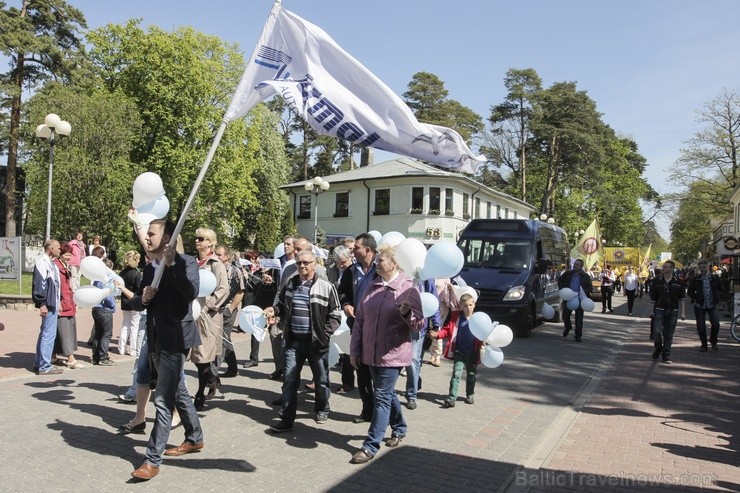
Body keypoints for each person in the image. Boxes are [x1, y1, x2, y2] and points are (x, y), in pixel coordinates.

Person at [128, 219, 203, 481]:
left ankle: (152, 460)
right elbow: (137, 303)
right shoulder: (149, 269)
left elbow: (190, 293)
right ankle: (195, 437)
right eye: (146, 233)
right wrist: (143, 298)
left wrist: (171, 265)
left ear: (167, 237)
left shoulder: (186, 262)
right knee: (177, 391)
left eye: (151, 233)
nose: (146, 237)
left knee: (162, 400)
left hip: (176, 339)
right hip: (156, 339)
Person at [349, 243, 423, 464]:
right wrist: (354, 349)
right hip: (370, 352)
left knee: (380, 396)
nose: (376, 263)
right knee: (387, 394)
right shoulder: (373, 286)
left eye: (381, 260)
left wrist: (407, 312)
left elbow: (419, 325)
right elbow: (360, 320)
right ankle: (399, 428)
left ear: (395, 263)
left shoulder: (409, 289)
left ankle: (371, 445)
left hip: (393, 354)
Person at [266, 249, 341, 432]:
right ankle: (286, 420)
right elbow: (282, 306)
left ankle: (322, 408)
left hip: (316, 343)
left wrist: (325, 334)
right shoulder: (291, 283)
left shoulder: (325, 286)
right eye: (299, 263)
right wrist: (274, 311)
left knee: (321, 380)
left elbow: (336, 314)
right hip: (294, 342)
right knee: (290, 380)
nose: (302, 266)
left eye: (306, 263)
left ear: (314, 263)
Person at [338, 233, 379, 423]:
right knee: (361, 371)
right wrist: (346, 304)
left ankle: (383, 412)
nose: (352, 251)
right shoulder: (351, 270)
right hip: (357, 326)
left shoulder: (382, 269)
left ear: (368, 250)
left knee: (379, 374)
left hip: (379, 329)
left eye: (356, 248)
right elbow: (342, 291)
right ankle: (367, 410)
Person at [191, 228, 230, 411]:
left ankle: (200, 393)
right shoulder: (192, 262)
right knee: (195, 355)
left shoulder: (216, 264)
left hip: (208, 316)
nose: (197, 241)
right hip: (191, 313)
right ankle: (213, 379)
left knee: (203, 357)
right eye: (196, 238)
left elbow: (223, 289)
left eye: (201, 239)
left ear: (210, 242)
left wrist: (207, 307)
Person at [430, 293, 482, 407]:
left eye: (470, 305)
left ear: (474, 305)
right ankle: (452, 397)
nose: (468, 308)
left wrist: (484, 343)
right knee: (456, 373)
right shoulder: (457, 318)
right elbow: (447, 330)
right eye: (465, 305)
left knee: (471, 374)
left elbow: (484, 334)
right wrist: (438, 334)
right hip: (459, 351)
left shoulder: (478, 319)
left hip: (472, 353)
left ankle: (470, 394)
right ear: (461, 306)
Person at [404, 278, 441, 410]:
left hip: (418, 325)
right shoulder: (400, 273)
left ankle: (411, 395)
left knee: (413, 360)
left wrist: (436, 324)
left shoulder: (427, 278)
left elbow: (433, 300)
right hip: (399, 323)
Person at [33, 239, 63, 375]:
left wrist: (59, 302)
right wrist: (42, 304)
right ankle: (44, 366)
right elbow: (39, 285)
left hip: (53, 303)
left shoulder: (52, 263)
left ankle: (39, 363)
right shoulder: (43, 263)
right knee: (48, 334)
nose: (60, 250)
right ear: (50, 249)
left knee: (46, 333)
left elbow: (55, 285)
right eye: (57, 248)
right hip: (48, 304)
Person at [52, 243, 83, 369]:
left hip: (68, 300)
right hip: (62, 302)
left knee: (62, 330)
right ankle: (70, 358)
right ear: (60, 254)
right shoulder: (55, 265)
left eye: (70, 255)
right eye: (66, 255)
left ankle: (53, 355)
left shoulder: (65, 265)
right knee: (65, 330)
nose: (68, 257)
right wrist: (58, 301)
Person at [216, 245, 244, 377]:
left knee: (223, 338)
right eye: (216, 254)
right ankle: (232, 368)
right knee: (223, 339)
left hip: (228, 310)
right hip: (216, 309)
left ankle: (213, 370)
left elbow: (240, 291)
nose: (217, 257)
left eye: (220, 255)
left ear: (227, 256)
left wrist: (231, 308)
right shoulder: (213, 269)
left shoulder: (234, 271)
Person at [650, 260, 686, 364]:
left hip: (673, 310)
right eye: (663, 267)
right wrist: (652, 310)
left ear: (671, 269)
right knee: (656, 332)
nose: (663, 268)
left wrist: (683, 313)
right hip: (659, 309)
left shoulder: (678, 282)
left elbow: (682, 298)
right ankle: (658, 347)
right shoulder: (657, 281)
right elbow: (653, 298)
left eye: (666, 267)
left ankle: (666, 355)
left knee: (669, 334)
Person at [686, 259, 720, 352]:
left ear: (708, 267)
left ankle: (713, 341)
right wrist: (697, 297)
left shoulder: (715, 278)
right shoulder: (696, 279)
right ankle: (704, 345)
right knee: (701, 326)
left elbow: (719, 288)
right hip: (700, 305)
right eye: (700, 267)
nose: (702, 269)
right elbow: (690, 292)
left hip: (712, 304)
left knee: (716, 324)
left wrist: (717, 297)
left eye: (704, 267)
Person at [558, 259, 593, 343]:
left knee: (579, 318)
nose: (575, 266)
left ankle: (578, 335)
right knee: (565, 315)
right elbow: (560, 280)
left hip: (579, 298)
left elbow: (590, 287)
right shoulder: (568, 273)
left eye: (577, 265)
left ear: (581, 266)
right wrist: (563, 289)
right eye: (574, 264)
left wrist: (583, 292)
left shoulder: (585, 276)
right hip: (569, 297)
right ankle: (568, 327)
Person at [91, 258, 117, 366]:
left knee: (98, 333)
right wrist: (113, 306)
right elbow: (108, 295)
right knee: (106, 334)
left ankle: (96, 356)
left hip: (96, 307)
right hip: (104, 308)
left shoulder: (96, 280)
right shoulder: (106, 279)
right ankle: (103, 357)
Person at [119, 251, 143, 356]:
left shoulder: (122, 273)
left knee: (125, 325)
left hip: (124, 301)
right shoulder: (137, 274)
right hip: (134, 300)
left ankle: (121, 348)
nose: (139, 261)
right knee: (134, 326)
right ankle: (133, 349)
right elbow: (139, 289)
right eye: (137, 259)